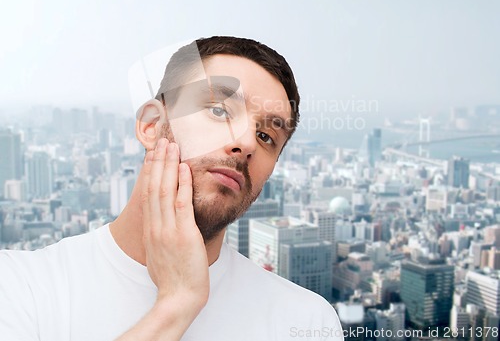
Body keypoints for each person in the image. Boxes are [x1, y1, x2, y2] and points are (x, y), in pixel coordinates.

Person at [0, 36, 343, 341]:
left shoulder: (308, 321)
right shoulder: (20, 286)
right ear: (151, 125)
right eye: (219, 109)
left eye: (266, 136)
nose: (245, 142)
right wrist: (177, 304)